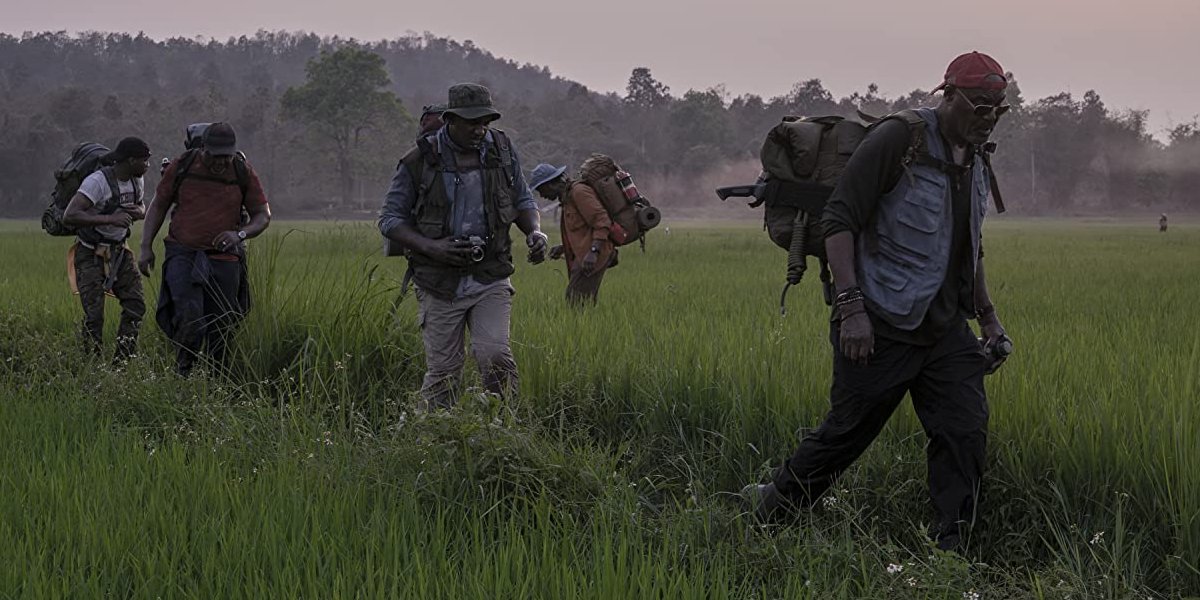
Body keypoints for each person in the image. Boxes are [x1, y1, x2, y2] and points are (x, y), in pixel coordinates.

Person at [744, 52, 1012, 552]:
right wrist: (851, 310)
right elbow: (839, 220)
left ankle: (952, 554)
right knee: (845, 436)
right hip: (880, 322)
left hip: (945, 329)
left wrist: (990, 319)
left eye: (998, 108)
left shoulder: (977, 154)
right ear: (947, 94)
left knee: (964, 435)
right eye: (979, 105)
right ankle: (767, 516)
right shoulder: (900, 138)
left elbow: (969, 242)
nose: (988, 117)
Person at [379, 83, 548, 410]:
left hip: (491, 273)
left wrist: (535, 232)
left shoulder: (501, 149)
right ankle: (434, 441)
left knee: (496, 355)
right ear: (450, 119)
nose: (479, 129)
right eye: (471, 122)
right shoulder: (419, 160)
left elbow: (522, 198)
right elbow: (389, 219)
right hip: (438, 281)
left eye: (484, 122)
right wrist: (432, 247)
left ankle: (504, 431)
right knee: (444, 372)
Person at [138, 122, 272, 376]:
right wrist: (146, 247)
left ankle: (217, 381)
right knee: (190, 319)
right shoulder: (182, 166)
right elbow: (158, 206)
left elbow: (262, 215)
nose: (220, 163)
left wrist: (239, 234)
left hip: (225, 259)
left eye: (226, 156)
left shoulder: (242, 171)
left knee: (222, 325)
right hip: (183, 253)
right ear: (203, 150)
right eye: (214, 156)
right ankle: (183, 375)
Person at [61, 137, 151, 363]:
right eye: (144, 161)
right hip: (90, 252)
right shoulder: (96, 182)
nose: (148, 165)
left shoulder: (136, 180)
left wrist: (138, 212)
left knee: (136, 306)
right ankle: (92, 367)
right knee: (94, 316)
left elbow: (141, 206)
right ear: (131, 160)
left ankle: (121, 364)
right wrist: (110, 218)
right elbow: (70, 215)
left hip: (120, 252)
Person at [528, 163, 616, 306]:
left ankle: (585, 328)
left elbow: (602, 221)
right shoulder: (567, 199)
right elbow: (583, 230)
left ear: (551, 183)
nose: (542, 195)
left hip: (593, 256)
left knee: (577, 302)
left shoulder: (579, 192)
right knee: (579, 302)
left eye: (541, 189)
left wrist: (594, 251)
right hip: (584, 256)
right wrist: (564, 247)